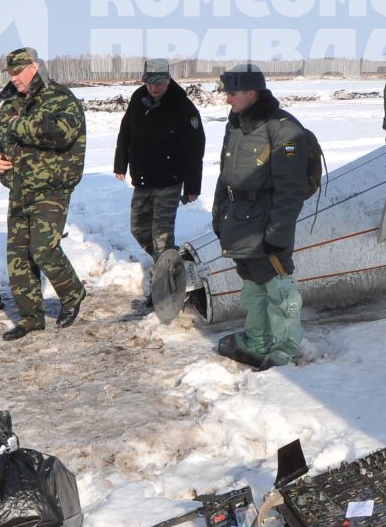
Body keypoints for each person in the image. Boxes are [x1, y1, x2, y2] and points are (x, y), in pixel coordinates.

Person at [0, 47, 87, 340]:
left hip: (51, 188)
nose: (14, 78)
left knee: (43, 248)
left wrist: (18, 126)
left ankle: (72, 293)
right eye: (11, 73)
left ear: (34, 67)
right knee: (18, 256)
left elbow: (62, 134)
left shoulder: (60, 98)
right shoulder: (11, 103)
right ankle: (30, 318)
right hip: (18, 188)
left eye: (18, 72)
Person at [211, 63, 309, 368]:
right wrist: (219, 212)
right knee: (252, 284)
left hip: (266, 221)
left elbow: (290, 189)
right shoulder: (237, 124)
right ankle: (256, 342)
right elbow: (225, 174)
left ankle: (285, 351)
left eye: (232, 92)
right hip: (239, 220)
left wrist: (278, 231)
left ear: (252, 93)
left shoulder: (283, 128)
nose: (227, 98)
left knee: (279, 288)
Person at [113, 58, 205, 266]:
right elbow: (126, 132)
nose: (154, 88)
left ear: (168, 79)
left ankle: (167, 286)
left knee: (161, 236)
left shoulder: (182, 106)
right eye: (149, 83)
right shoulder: (138, 98)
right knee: (138, 228)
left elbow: (195, 148)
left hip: (169, 180)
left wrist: (192, 186)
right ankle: (173, 264)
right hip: (143, 178)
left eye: (159, 83)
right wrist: (120, 163)